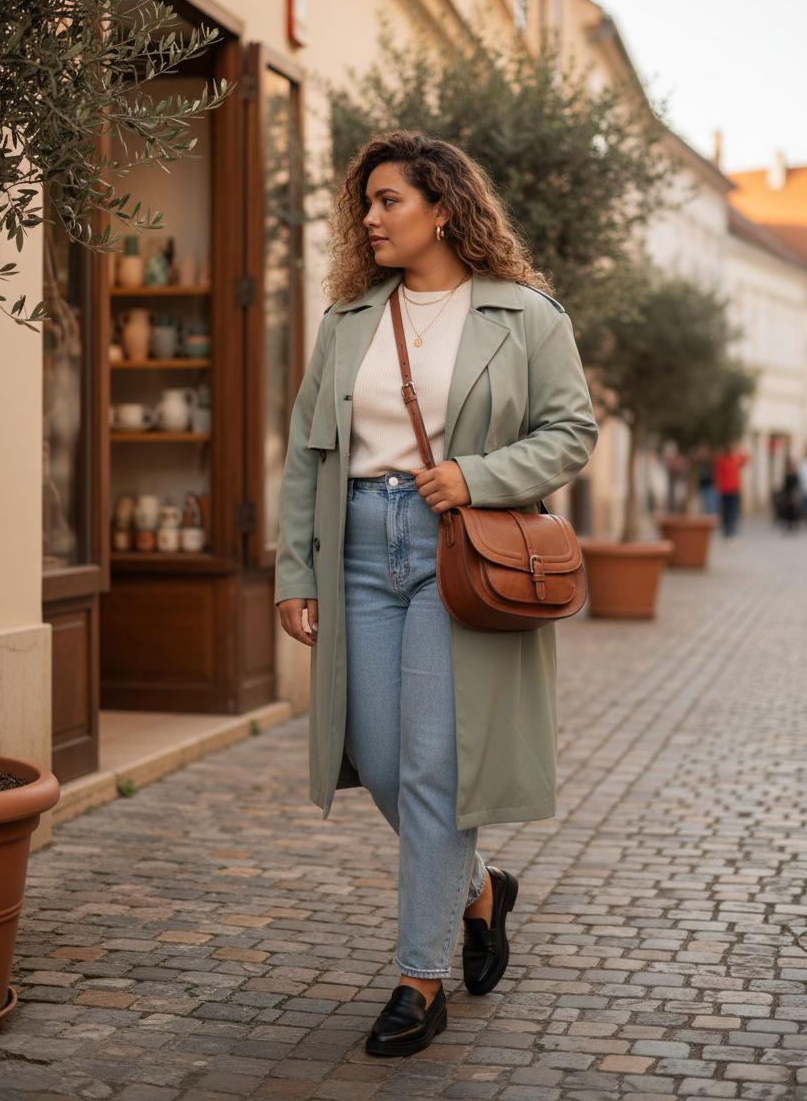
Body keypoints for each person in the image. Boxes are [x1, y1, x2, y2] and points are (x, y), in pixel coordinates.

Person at [275, 130, 598, 1058]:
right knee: (380, 759)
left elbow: (571, 431)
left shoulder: (525, 316)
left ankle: (419, 979)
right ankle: (482, 889)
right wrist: (296, 570)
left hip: (459, 549)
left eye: (389, 201)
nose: (370, 218)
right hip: (356, 546)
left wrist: (476, 475)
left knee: (434, 771)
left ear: (443, 208)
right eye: (366, 203)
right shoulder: (347, 321)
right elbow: (306, 454)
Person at [713, 444, 749, 538]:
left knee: (733, 510)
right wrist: (718, 486)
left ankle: (731, 529)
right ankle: (727, 529)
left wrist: (740, 450)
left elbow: (746, 460)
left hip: (734, 489)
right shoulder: (722, 460)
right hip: (725, 489)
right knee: (726, 510)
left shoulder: (735, 459)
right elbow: (718, 474)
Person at [775, 457, 802, 531]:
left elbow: (797, 485)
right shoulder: (786, 475)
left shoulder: (795, 475)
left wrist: (796, 493)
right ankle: (787, 523)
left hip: (793, 494)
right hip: (787, 494)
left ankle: (794, 523)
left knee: (795, 509)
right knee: (786, 509)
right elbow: (784, 485)